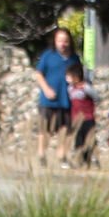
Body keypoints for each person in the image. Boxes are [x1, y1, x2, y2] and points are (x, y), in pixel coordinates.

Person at [33, 27, 76, 166]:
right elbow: (38, 74)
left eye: (65, 41)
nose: (63, 44)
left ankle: (62, 156)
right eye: (60, 41)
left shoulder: (74, 58)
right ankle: (41, 155)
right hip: (48, 101)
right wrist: (46, 89)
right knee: (45, 130)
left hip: (66, 100)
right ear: (55, 41)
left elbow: (79, 76)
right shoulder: (48, 55)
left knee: (65, 131)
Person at [67, 64, 97, 166]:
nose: (67, 78)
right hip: (76, 119)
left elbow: (96, 97)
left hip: (88, 118)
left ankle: (89, 159)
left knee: (89, 138)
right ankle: (79, 159)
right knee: (78, 139)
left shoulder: (86, 87)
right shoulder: (70, 88)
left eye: (69, 76)